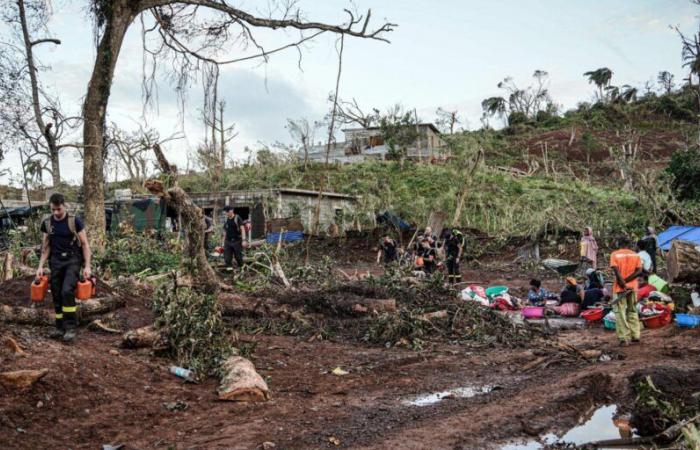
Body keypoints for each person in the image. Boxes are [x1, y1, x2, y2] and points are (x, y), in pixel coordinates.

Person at [36, 193, 91, 343]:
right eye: (53, 209)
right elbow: (46, 247)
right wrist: (40, 266)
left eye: (58, 209)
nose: (56, 213)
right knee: (56, 293)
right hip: (55, 261)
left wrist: (87, 266)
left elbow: (85, 244)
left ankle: (71, 327)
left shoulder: (75, 221)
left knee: (67, 291)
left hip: (73, 260)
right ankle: (59, 327)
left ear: (64, 205)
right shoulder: (47, 223)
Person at [610, 239, 644, 346]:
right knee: (632, 310)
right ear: (629, 245)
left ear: (619, 244)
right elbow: (639, 271)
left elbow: (616, 271)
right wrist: (628, 282)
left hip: (620, 288)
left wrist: (623, 283)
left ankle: (624, 339)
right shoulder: (636, 255)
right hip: (633, 287)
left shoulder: (615, 254)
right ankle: (636, 336)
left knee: (620, 313)